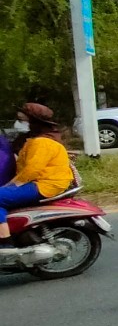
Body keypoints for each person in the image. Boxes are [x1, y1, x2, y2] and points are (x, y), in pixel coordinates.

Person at [0, 104, 75, 246]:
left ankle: (6, 241)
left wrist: (11, 185)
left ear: (34, 122)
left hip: (44, 184)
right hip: (39, 182)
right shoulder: (36, 140)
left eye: (22, 120)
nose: (19, 124)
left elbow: (32, 170)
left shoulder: (42, 142)